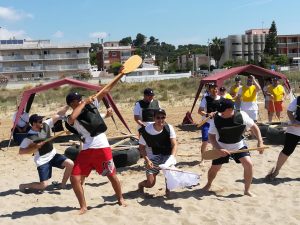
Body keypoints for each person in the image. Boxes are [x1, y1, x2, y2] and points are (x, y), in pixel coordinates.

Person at [66, 92, 126, 214]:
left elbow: (104, 92)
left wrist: (107, 113)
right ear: (71, 104)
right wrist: (84, 103)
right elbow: (72, 118)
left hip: (102, 147)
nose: (80, 100)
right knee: (74, 178)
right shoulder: (70, 117)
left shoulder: (89, 108)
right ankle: (83, 207)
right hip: (87, 150)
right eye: (77, 100)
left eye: (80, 99)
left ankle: (120, 198)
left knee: (111, 175)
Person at [202, 99, 264, 196]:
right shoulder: (216, 119)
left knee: (249, 164)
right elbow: (211, 136)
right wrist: (218, 148)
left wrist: (260, 141)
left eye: (223, 110)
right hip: (221, 146)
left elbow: (254, 127)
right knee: (214, 168)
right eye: (219, 110)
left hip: (238, 146)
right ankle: (208, 184)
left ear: (231, 109)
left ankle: (247, 190)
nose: (220, 112)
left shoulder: (242, 116)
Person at [19, 107, 74, 192]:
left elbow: (59, 115)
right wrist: (35, 147)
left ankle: (62, 185)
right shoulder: (29, 137)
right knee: (43, 185)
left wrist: (68, 105)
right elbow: (21, 151)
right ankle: (24, 185)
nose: (42, 122)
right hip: (42, 160)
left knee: (70, 164)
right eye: (40, 121)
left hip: (53, 154)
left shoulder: (46, 125)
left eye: (42, 120)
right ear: (34, 124)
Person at [138, 109, 177, 196]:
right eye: (158, 118)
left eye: (163, 117)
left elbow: (174, 144)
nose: (160, 120)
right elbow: (141, 147)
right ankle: (140, 185)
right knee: (150, 183)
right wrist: (147, 160)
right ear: (154, 118)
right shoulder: (146, 131)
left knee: (169, 173)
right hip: (153, 157)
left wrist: (172, 158)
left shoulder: (169, 128)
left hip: (166, 154)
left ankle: (168, 191)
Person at [265, 96, 300, 181]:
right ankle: (276, 171)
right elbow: (289, 111)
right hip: (295, 128)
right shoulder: (298, 99)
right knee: (287, 150)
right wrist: (293, 121)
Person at [198, 83, 222, 158]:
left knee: (216, 141)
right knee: (205, 141)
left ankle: (214, 156)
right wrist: (207, 114)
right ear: (209, 90)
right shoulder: (206, 99)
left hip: (217, 123)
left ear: (217, 89)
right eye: (212, 88)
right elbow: (200, 111)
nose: (214, 90)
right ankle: (203, 158)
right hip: (207, 123)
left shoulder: (221, 99)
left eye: (215, 88)